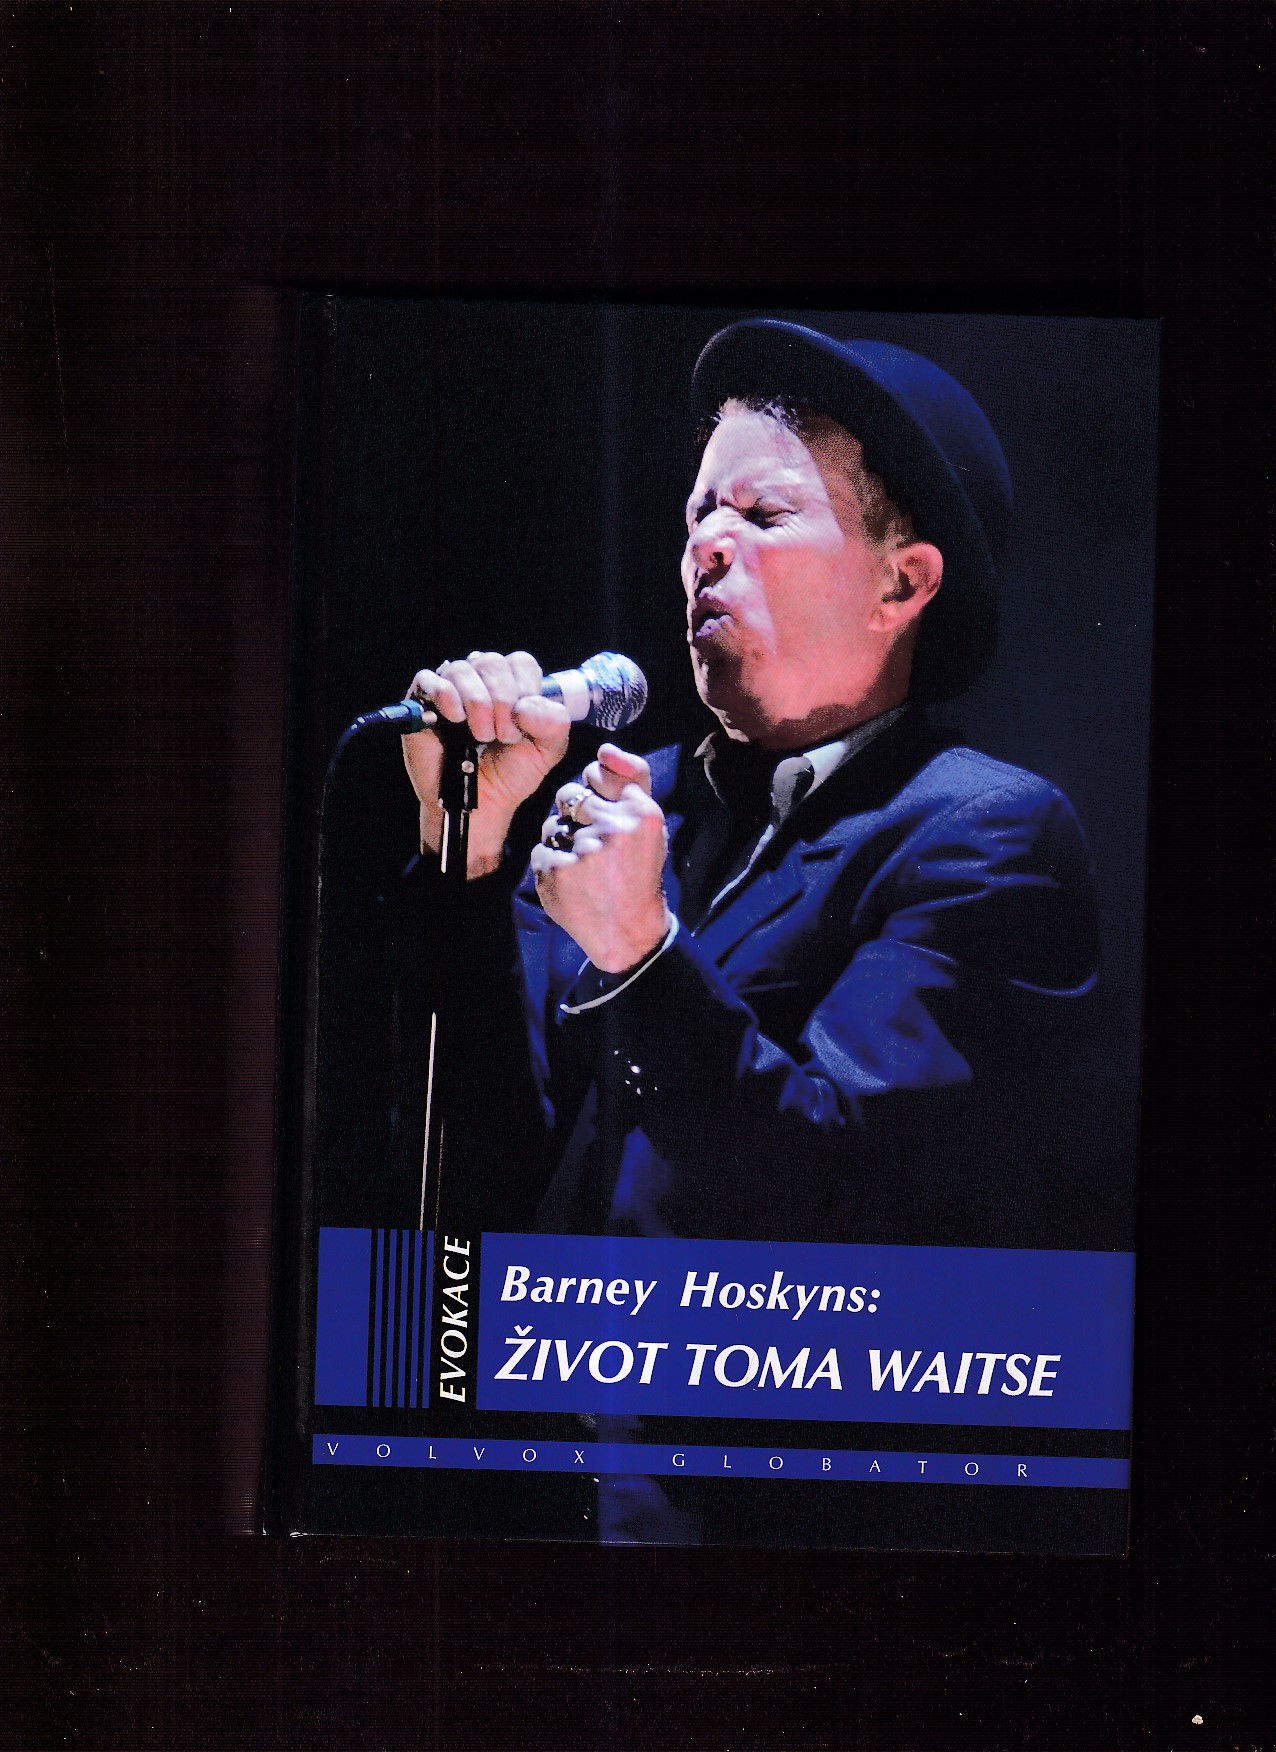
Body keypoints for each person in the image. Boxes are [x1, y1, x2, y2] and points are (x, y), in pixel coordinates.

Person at [393, 320, 1100, 1251]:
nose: (707, 547)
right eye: (699, 515)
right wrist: (468, 845)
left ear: (902, 584)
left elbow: (861, 1202)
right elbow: (466, 1164)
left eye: (764, 515)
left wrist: (642, 957)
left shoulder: (988, 834)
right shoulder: (626, 804)